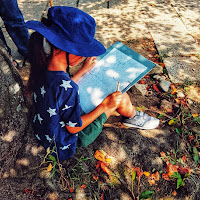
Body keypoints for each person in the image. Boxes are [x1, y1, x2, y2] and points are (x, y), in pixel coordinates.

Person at [26, 6, 159, 161]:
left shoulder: (42, 67)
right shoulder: (66, 88)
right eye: (83, 52)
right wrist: (105, 105)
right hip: (67, 140)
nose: (84, 56)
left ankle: (132, 114)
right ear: (69, 51)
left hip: (46, 131)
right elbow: (73, 128)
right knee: (120, 98)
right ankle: (133, 117)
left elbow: (60, 92)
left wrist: (82, 72)